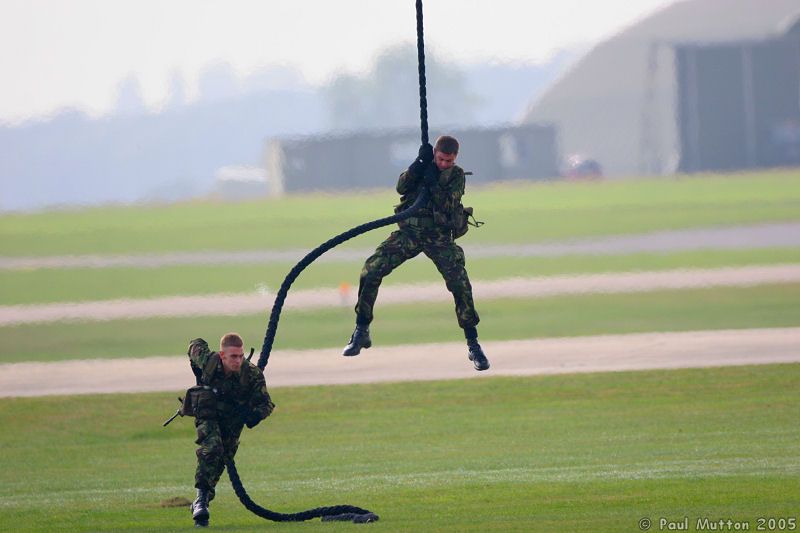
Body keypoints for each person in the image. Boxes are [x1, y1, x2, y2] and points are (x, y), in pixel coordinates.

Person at [342, 135, 490, 371]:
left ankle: (473, 344)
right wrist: (417, 166)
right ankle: (361, 330)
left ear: (455, 159)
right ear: (435, 154)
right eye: (441, 159)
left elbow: (447, 205)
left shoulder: (457, 175)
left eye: (448, 161)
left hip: (438, 237)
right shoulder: (424, 166)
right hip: (409, 232)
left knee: (460, 284)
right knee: (370, 271)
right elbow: (401, 187)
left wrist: (433, 183)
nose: (444, 164)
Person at [187, 333, 275, 528]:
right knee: (212, 449)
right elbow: (194, 344)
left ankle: (202, 501)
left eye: (241, 356)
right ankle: (201, 500)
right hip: (208, 415)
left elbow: (267, 404)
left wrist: (252, 416)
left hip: (232, 423)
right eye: (233, 356)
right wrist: (196, 365)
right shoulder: (209, 361)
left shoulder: (251, 374)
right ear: (222, 355)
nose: (238, 360)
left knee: (219, 463)